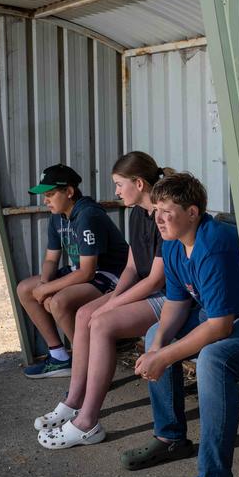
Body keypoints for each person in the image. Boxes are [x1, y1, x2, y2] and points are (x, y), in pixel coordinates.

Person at [121, 172, 239, 477]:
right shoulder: (173, 244)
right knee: (154, 334)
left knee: (213, 359)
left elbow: (221, 327)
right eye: (156, 210)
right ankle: (170, 437)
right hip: (217, 316)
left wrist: (164, 358)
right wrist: (159, 345)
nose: (159, 219)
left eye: (167, 211)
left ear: (193, 212)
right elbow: (177, 305)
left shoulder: (214, 245)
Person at [35, 152, 170, 449]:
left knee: (102, 323)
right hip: (146, 289)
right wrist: (114, 297)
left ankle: (87, 423)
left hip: (168, 296)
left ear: (139, 183)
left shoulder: (163, 214)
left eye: (120, 185)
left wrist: (111, 305)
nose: (117, 192)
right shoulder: (136, 214)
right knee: (84, 314)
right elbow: (132, 268)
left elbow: (155, 280)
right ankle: (73, 402)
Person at [16, 164, 128, 378]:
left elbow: (87, 272)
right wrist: (43, 285)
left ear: (69, 191)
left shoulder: (88, 215)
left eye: (50, 194)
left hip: (112, 273)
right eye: (44, 195)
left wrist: (49, 289)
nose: (45, 200)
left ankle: (88, 366)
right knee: (25, 289)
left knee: (58, 302)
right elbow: (51, 258)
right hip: (83, 271)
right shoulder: (57, 216)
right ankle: (59, 356)